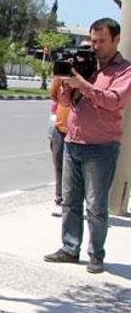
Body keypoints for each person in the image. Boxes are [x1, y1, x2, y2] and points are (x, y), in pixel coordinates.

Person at [44, 18, 131, 274]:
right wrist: (65, 83)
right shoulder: (86, 65)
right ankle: (70, 248)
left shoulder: (124, 70)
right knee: (70, 201)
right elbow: (66, 102)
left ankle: (96, 255)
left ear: (116, 40)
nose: (95, 46)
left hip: (102, 147)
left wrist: (83, 84)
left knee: (95, 204)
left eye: (101, 41)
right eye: (93, 40)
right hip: (73, 140)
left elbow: (114, 101)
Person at [49, 77, 70, 217]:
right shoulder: (61, 76)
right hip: (60, 126)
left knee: (76, 170)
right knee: (59, 165)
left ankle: (73, 202)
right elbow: (54, 96)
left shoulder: (90, 74)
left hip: (82, 130)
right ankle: (59, 200)